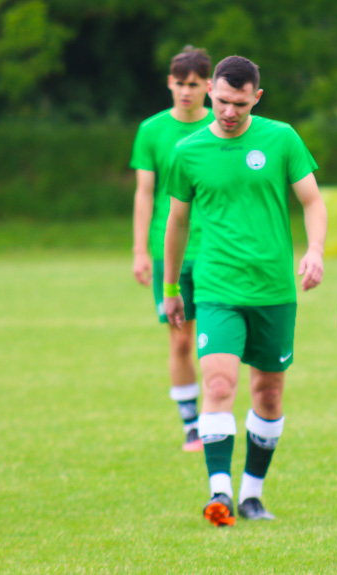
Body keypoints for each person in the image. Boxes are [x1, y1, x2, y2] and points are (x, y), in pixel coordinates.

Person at [163, 55, 327, 526]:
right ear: (210, 92)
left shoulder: (281, 139)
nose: (228, 112)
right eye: (221, 100)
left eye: (239, 103)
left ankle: (252, 494)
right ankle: (220, 495)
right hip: (216, 287)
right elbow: (176, 223)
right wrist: (173, 286)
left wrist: (315, 250)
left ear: (256, 97)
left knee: (268, 394)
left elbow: (312, 201)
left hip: (275, 289)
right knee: (218, 384)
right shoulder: (188, 151)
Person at [130, 46, 214, 452]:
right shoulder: (152, 131)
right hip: (171, 253)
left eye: (194, 85)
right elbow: (145, 193)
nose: (186, 91)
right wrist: (140, 250)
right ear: (169, 82)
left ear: (209, 86)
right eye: (179, 84)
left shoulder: (224, 125)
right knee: (181, 340)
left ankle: (218, 412)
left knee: (217, 337)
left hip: (218, 249)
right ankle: (191, 425)